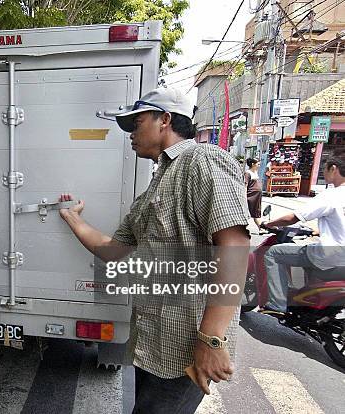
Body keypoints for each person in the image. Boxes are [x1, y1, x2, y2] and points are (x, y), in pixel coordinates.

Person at [59, 87, 250, 413]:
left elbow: (234, 244)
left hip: (186, 349)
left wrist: (211, 339)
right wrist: (73, 219)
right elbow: (113, 249)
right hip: (154, 345)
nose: (131, 134)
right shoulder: (157, 185)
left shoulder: (201, 161)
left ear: (165, 119)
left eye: (137, 123)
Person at [261, 149, 345, 316]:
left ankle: (277, 303)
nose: (323, 171)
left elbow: (293, 218)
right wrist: (320, 231)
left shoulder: (331, 196)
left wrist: (269, 223)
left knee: (273, 253)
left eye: (325, 167)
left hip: (331, 256)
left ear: (334, 169)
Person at [244, 158, 264, 230]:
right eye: (258, 164)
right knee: (248, 213)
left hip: (257, 197)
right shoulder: (247, 173)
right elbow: (245, 185)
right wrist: (244, 196)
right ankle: (241, 230)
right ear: (253, 164)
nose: (259, 165)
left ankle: (261, 228)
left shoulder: (255, 172)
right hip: (251, 197)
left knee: (256, 213)